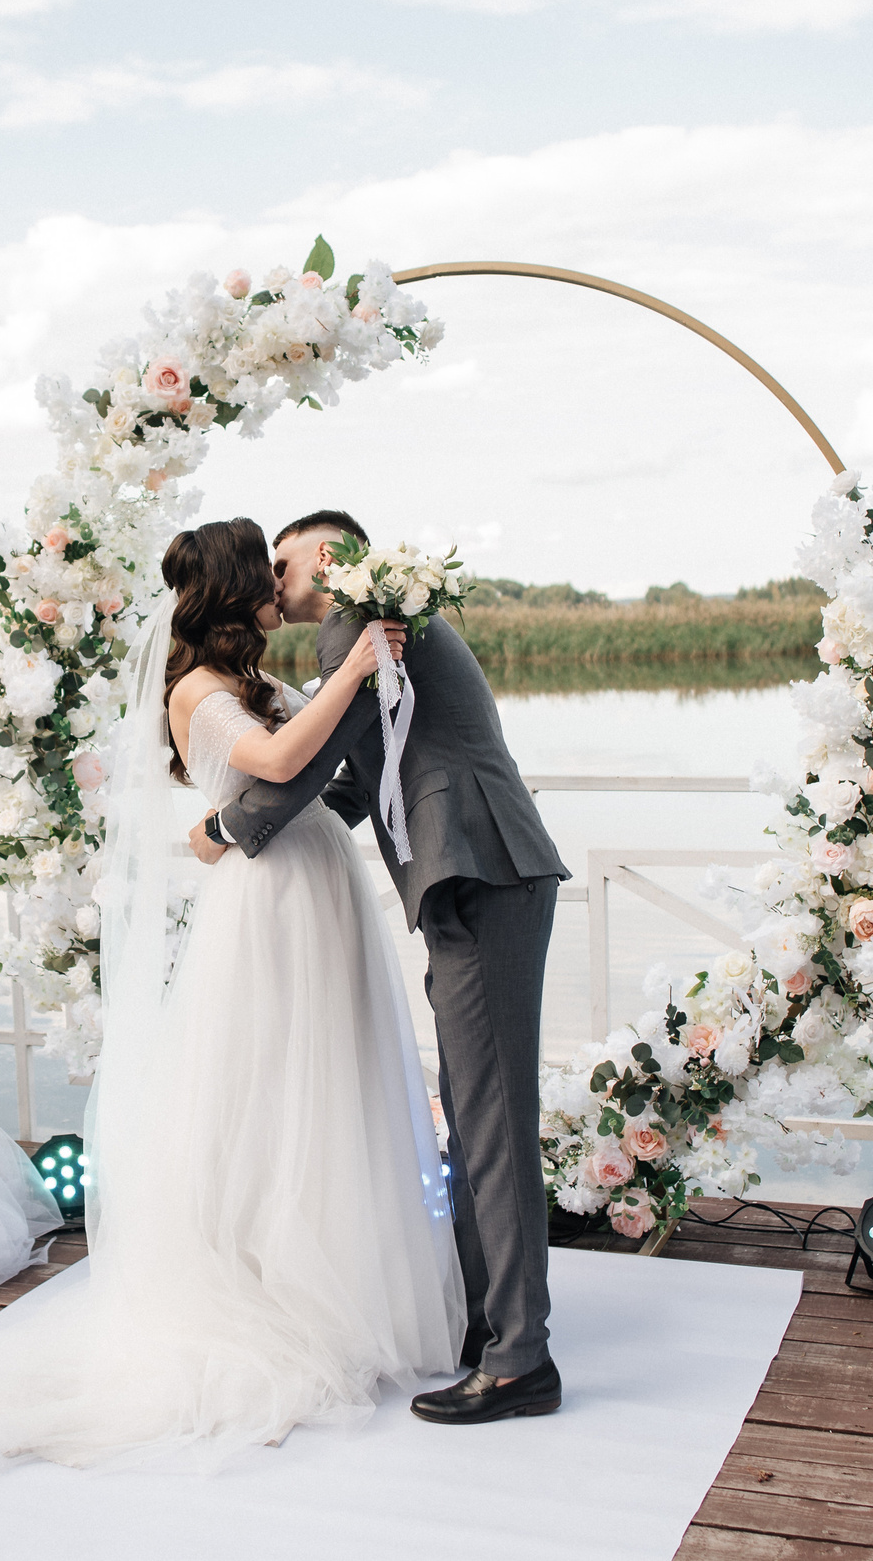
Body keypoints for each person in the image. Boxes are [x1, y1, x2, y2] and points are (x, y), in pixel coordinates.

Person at [0, 517, 460, 1470]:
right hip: (265, 907)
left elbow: (328, 755)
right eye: (262, 573)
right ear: (231, 589)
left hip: (315, 883)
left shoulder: (259, 681)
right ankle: (271, 1286)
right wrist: (352, 672)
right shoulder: (198, 690)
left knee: (329, 1080)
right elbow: (276, 761)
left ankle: (346, 1273)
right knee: (267, 1089)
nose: (275, 585)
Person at [208, 509, 571, 1425]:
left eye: (280, 562)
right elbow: (355, 776)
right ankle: (489, 1322)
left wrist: (225, 825)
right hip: (477, 872)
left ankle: (521, 1356)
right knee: (476, 1109)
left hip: (480, 866)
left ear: (325, 557)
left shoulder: (359, 628)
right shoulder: (373, 630)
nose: (269, 580)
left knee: (491, 1119)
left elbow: (312, 758)